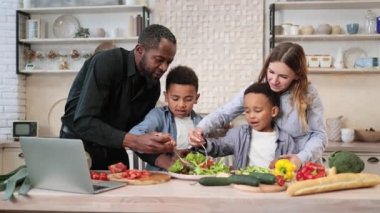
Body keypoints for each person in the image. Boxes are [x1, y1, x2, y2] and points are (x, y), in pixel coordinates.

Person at [190, 42, 327, 170]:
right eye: (271, 72)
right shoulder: (259, 89)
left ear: (297, 75)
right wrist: (201, 128)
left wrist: (300, 159)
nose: (274, 81)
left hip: (301, 167)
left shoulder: (308, 94)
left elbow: (319, 135)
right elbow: (225, 113)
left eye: (283, 76)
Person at [60, 24, 177, 170]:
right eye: (159, 59)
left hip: (113, 151)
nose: (164, 68)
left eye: (169, 62)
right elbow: (84, 122)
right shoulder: (106, 62)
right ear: (140, 50)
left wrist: (165, 160)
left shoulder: (153, 86)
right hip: (77, 149)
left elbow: (136, 133)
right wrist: (135, 140)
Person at [189, 82, 295, 169]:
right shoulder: (239, 133)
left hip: (271, 189)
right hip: (243, 188)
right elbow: (218, 147)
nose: (251, 116)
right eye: (247, 111)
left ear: (273, 111)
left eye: (257, 111)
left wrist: (283, 165)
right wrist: (203, 143)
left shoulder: (286, 140)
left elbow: (292, 166)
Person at [129, 65, 202, 170]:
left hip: (189, 178)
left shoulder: (200, 123)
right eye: (175, 98)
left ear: (196, 98)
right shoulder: (158, 116)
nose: (181, 104)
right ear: (166, 96)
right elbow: (134, 135)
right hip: (159, 178)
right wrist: (158, 137)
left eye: (188, 99)